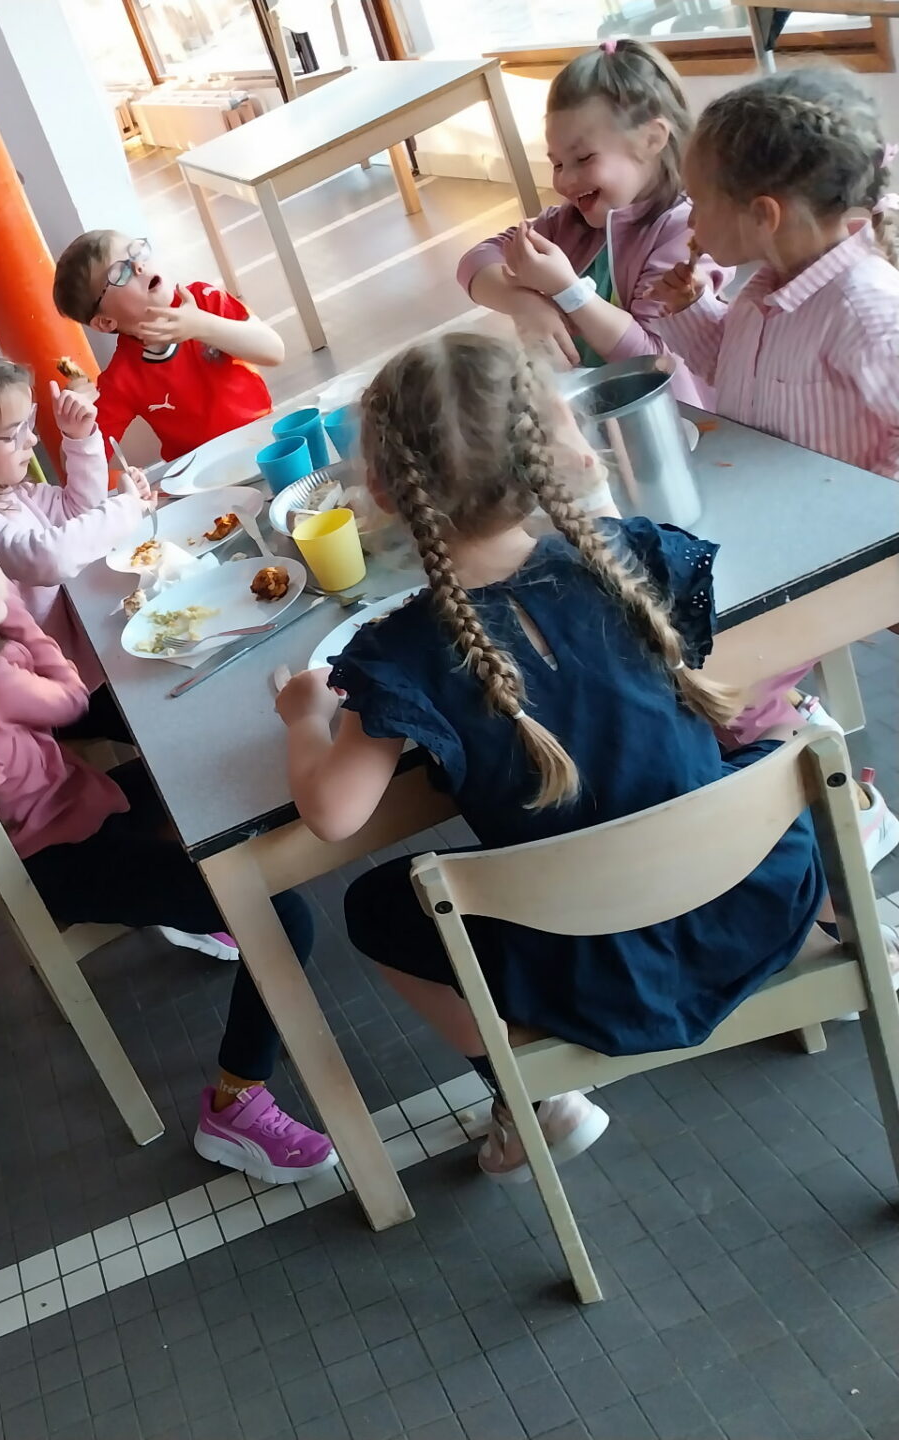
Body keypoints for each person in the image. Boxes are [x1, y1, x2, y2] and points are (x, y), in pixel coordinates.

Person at [274, 332, 827, 1181]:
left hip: (595, 971)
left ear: (382, 490)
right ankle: (836, 932)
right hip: (748, 900)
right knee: (765, 750)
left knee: (377, 906)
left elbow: (332, 815)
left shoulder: (399, 654)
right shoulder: (631, 555)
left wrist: (303, 717)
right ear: (544, 453)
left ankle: (536, 1098)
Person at [0, 522, 335, 1184]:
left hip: (70, 823)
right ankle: (234, 1104)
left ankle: (207, 923)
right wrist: (14, 609)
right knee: (282, 916)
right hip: (71, 857)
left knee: (190, 773)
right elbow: (69, 699)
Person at [643, 66, 899, 861]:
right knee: (699, 666)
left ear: (763, 214)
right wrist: (693, 313)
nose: (687, 218)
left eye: (697, 200)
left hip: (834, 559)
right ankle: (808, 759)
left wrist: (867, 515)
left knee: (716, 686)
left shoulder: (864, 307)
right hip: (779, 536)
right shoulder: (767, 285)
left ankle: (848, 818)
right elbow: (735, 366)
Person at [456, 38, 727, 403]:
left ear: (651, 140)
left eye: (583, 158)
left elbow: (654, 362)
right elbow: (475, 261)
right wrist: (524, 303)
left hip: (672, 418)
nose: (565, 180)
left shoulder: (688, 232)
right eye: (557, 163)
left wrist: (569, 291)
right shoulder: (568, 223)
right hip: (590, 411)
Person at [0, 350, 151, 661]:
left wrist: (79, 439)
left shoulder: (11, 492)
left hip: (88, 641)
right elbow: (50, 558)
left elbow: (81, 511)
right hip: (61, 669)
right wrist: (126, 509)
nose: (31, 439)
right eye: (14, 432)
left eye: (29, 422)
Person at [51, 231, 284, 460]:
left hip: (269, 443)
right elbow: (79, 468)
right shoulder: (123, 377)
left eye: (135, 252)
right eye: (120, 273)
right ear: (105, 322)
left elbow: (274, 351)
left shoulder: (204, 300)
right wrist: (76, 430)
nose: (138, 266)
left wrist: (202, 326)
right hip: (201, 475)